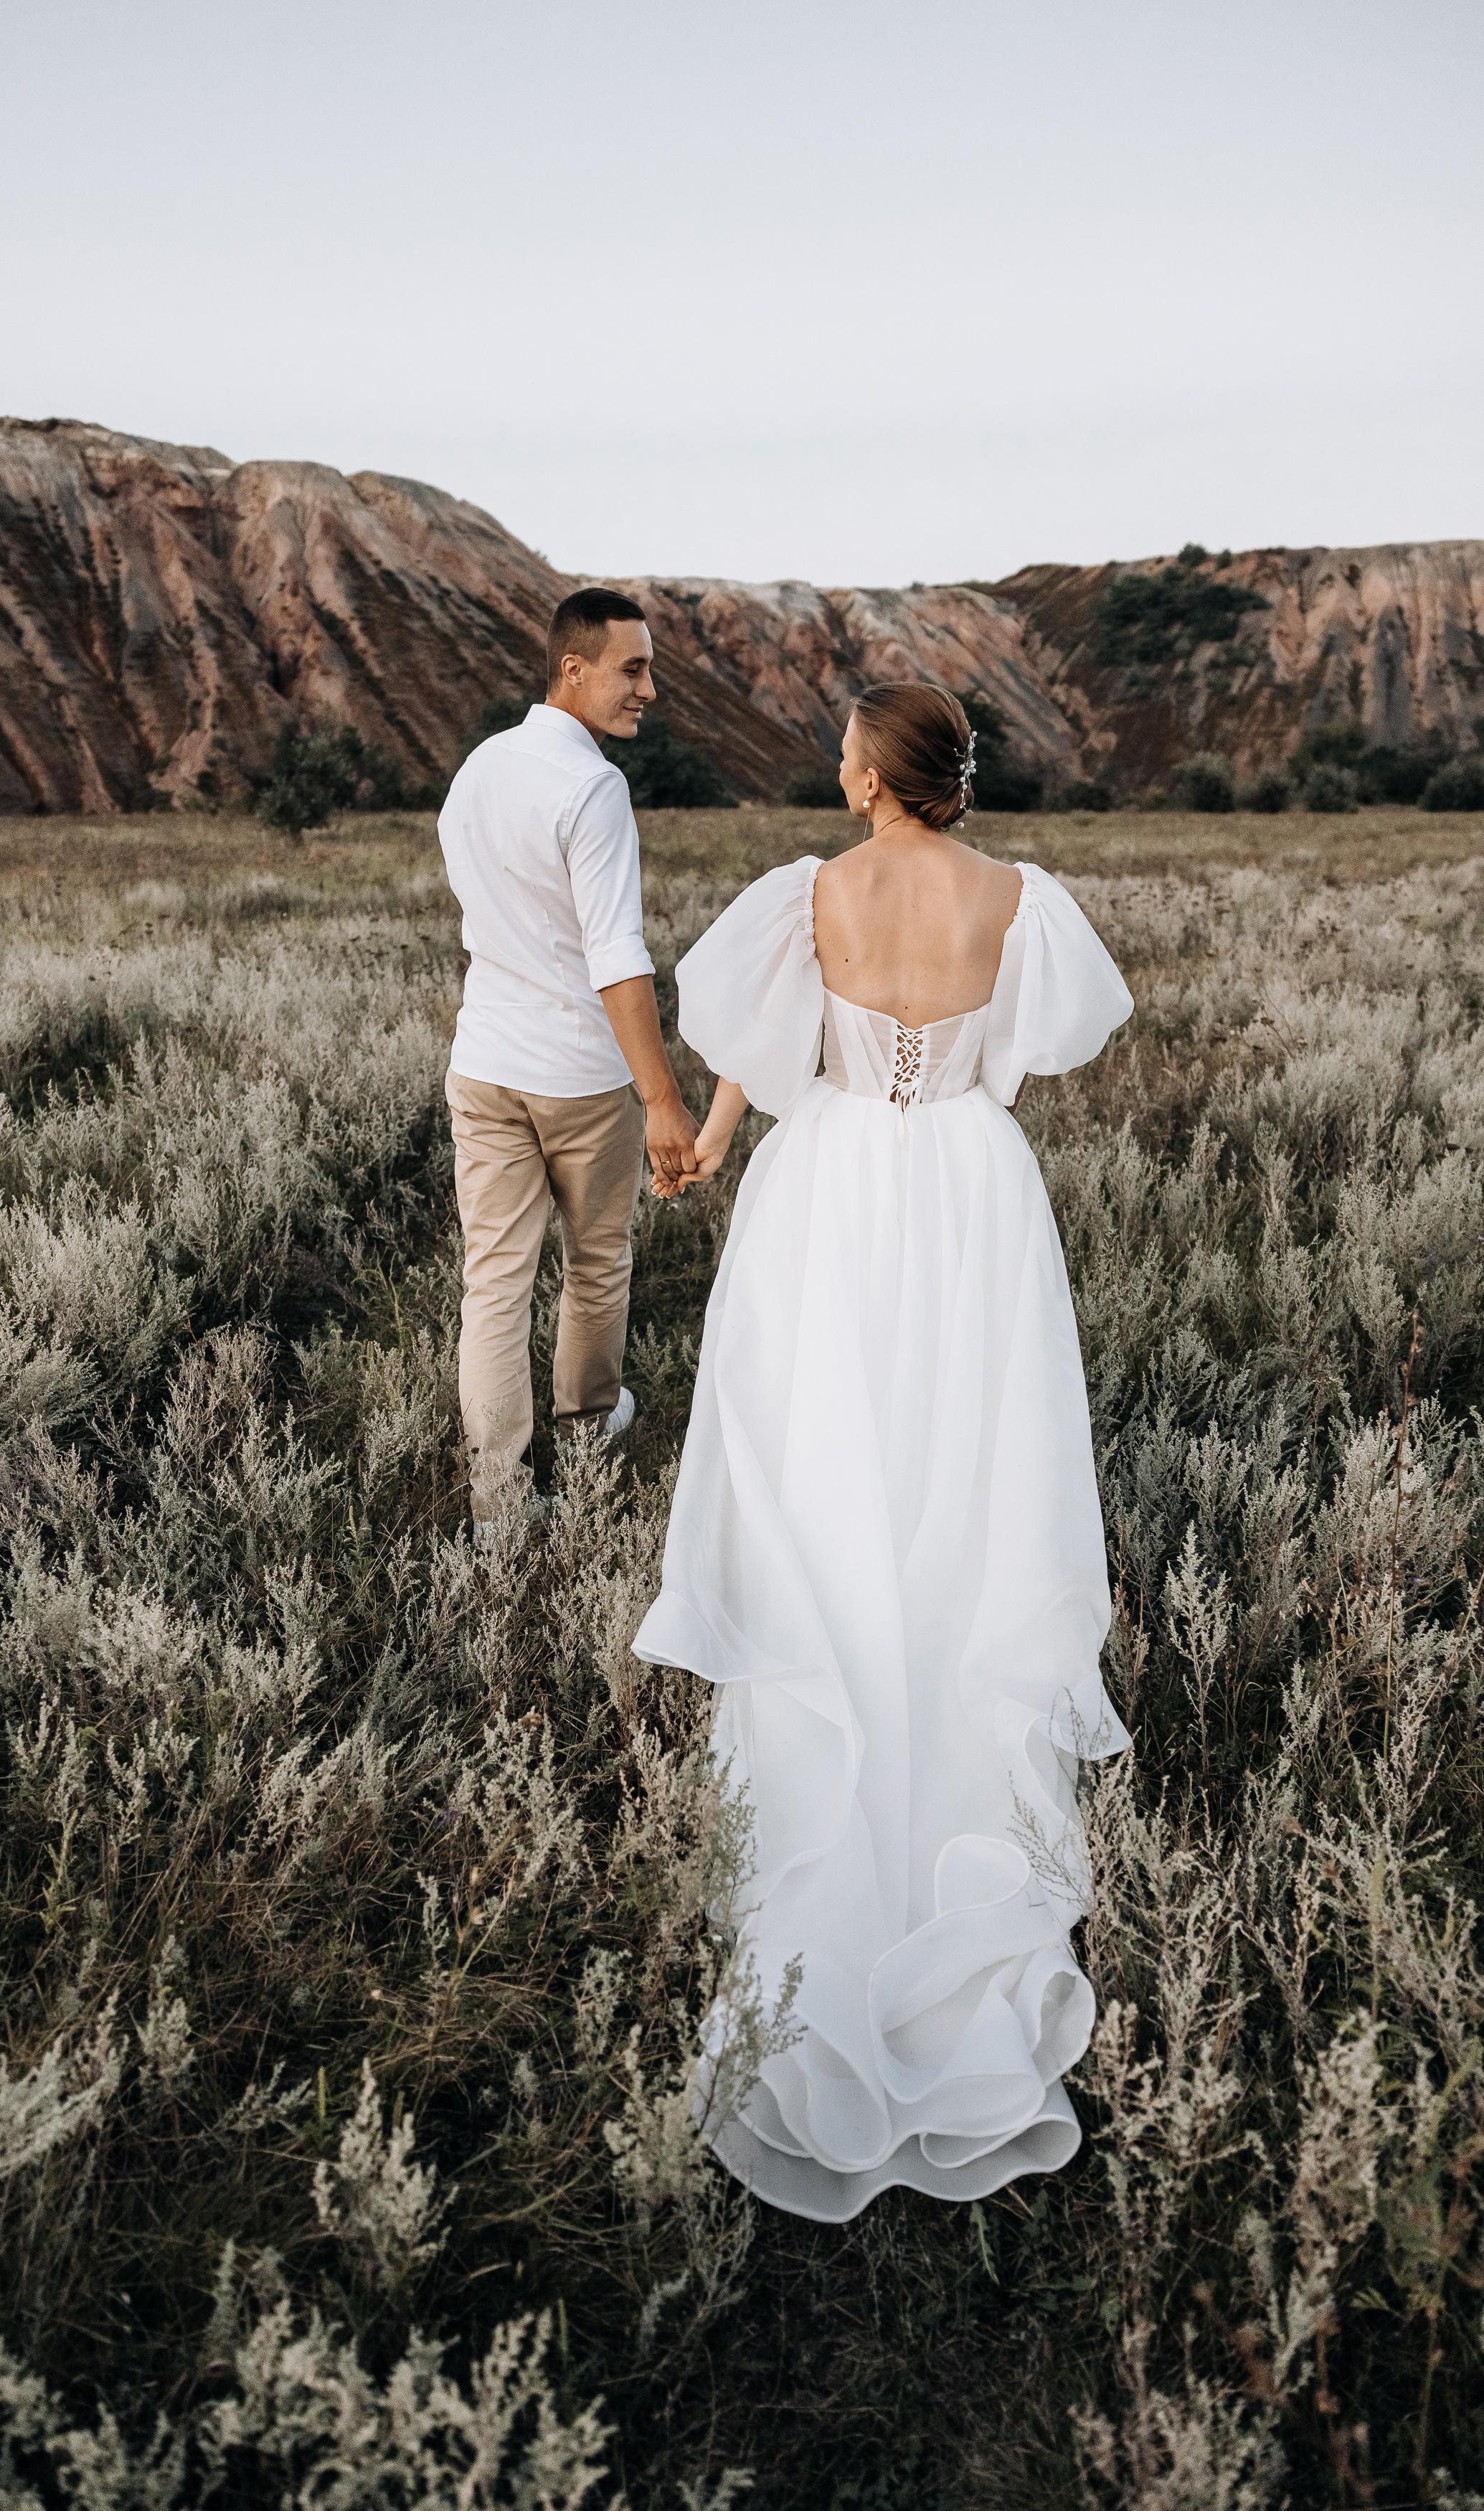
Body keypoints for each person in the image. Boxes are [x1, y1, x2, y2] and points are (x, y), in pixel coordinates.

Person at [634, 681, 1135, 2221]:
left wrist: (710, 1144)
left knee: (823, 1477)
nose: (836, 763)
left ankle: (832, 1755)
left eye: (847, 746)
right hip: (974, 1198)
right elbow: (1041, 1053)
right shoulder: (1021, 900)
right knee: (965, 1479)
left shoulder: (809, 893)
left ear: (869, 776)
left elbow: (772, 1053)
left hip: (837, 1197)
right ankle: (960, 1775)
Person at [438, 588, 699, 1537]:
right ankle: (586, 1435)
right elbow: (616, 957)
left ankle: (498, 1506)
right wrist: (663, 1102)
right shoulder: (591, 788)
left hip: (485, 1062)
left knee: (494, 1282)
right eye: (632, 669)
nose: (648, 689)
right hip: (581, 1079)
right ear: (572, 669)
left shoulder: (478, 770)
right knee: (596, 1263)